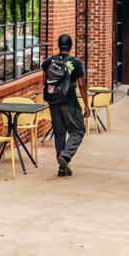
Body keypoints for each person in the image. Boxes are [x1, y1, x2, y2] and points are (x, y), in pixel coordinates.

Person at [41, 34, 89, 176]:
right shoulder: (75, 62)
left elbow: (45, 80)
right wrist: (86, 105)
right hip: (69, 102)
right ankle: (66, 156)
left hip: (53, 102)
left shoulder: (49, 61)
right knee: (78, 130)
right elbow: (81, 84)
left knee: (59, 133)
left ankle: (62, 167)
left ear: (58, 45)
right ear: (71, 46)